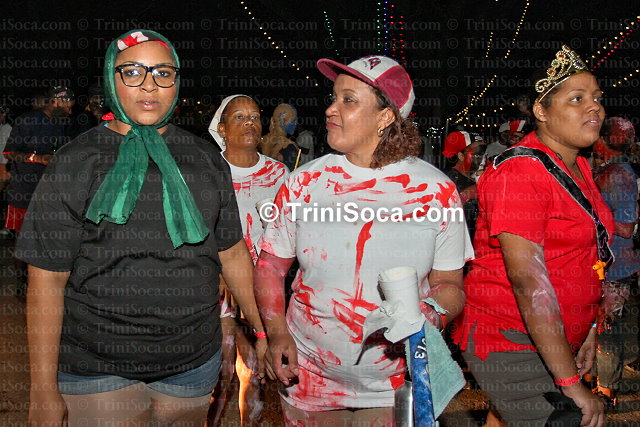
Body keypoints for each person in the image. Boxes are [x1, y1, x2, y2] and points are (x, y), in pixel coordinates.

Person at [17, 29, 264, 426]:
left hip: (191, 364)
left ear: (176, 82)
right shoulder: (76, 160)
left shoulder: (205, 159)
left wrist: (265, 332)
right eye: (132, 72)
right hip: (97, 364)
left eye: (163, 73)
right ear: (110, 80)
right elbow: (46, 278)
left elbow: (232, 253)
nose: (149, 84)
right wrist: (42, 389)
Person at [254, 55, 472, 425]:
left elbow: (450, 285)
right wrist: (274, 333)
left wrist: (432, 313)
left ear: (385, 117)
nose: (331, 109)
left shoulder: (436, 192)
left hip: (394, 382)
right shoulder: (303, 183)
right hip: (309, 375)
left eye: (349, 100)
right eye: (334, 98)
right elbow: (270, 266)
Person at [453, 45, 613, 427]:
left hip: (554, 335)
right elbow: (527, 280)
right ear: (541, 111)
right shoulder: (521, 170)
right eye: (577, 99)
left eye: (596, 98)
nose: (594, 107)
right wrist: (571, 383)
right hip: (512, 337)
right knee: (570, 419)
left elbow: (584, 256)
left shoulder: (577, 165)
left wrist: (589, 326)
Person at [206, 94, 289, 425]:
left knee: (255, 372)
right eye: (239, 117)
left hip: (263, 286)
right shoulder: (208, 171)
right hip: (218, 287)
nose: (249, 123)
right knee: (221, 372)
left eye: (254, 116)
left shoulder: (278, 173)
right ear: (222, 128)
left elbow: (288, 234)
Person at [4, 86, 75, 295]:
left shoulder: (61, 124)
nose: (70, 112)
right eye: (68, 107)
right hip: (24, 190)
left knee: (47, 238)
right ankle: (21, 283)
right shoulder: (28, 121)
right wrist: (36, 158)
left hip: (50, 190)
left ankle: (43, 283)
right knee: (23, 238)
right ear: (57, 101)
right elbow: (9, 152)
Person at [590, 117, 640, 410]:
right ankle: (597, 382)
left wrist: (593, 216)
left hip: (616, 266)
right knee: (598, 324)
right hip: (607, 264)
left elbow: (625, 227)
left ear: (603, 141)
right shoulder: (608, 169)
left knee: (607, 327)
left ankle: (606, 391)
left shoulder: (618, 174)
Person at [442, 130, 486, 241]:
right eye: (477, 154)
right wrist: (466, 195)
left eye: (484, 154)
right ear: (461, 156)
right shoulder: (448, 178)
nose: (482, 159)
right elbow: (440, 212)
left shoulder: (478, 177)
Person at [260, 103, 299, 168]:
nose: (295, 123)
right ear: (284, 120)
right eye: (293, 120)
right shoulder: (289, 146)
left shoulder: (262, 139)